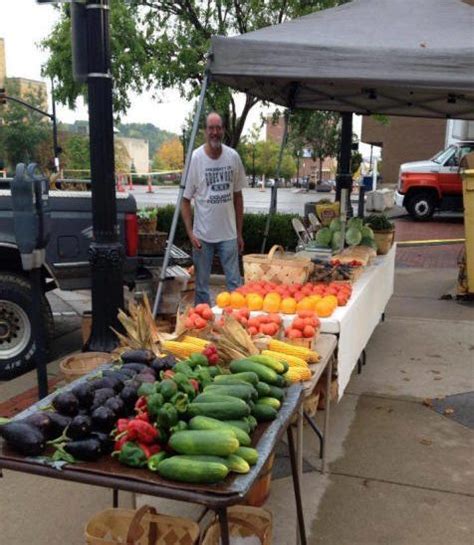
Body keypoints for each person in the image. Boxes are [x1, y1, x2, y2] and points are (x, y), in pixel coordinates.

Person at [181, 112, 246, 305]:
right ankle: (203, 327)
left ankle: (236, 324)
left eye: (218, 128)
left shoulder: (233, 157)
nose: (215, 132)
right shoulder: (196, 158)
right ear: (205, 131)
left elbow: (238, 197)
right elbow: (184, 200)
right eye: (211, 128)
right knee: (201, 287)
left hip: (229, 235)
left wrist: (239, 233)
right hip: (203, 237)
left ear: (223, 130)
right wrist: (190, 232)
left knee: (235, 283)